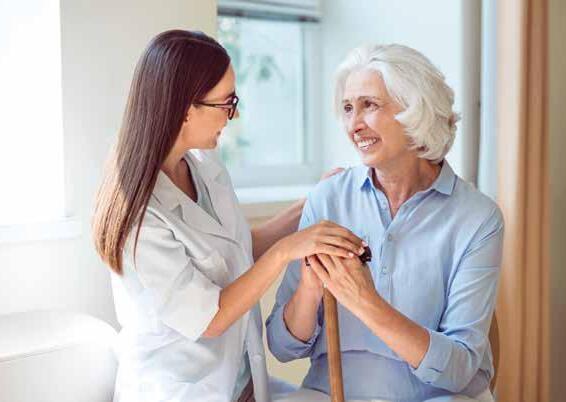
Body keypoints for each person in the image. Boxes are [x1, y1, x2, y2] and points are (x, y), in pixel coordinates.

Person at [92, 30, 365, 402]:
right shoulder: (140, 216)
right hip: (181, 392)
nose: (233, 114)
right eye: (226, 102)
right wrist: (288, 249)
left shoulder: (203, 163)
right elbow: (210, 318)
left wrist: (310, 203)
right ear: (185, 108)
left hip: (242, 383)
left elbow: (237, 248)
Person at [266, 44, 504, 402]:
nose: (354, 125)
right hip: (331, 394)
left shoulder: (477, 217)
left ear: (415, 110)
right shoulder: (328, 198)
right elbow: (281, 347)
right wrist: (310, 289)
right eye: (348, 108)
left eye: (370, 105)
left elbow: (458, 370)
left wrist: (364, 300)